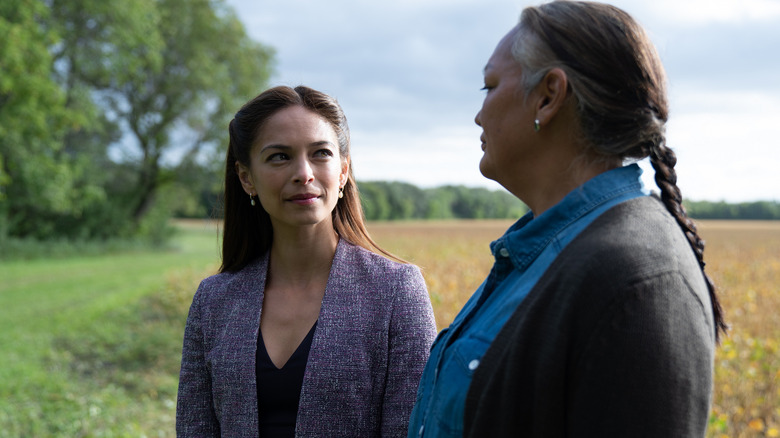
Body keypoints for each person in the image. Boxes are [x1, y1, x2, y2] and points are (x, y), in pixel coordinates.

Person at [408, 2, 726, 437]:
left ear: (548, 95)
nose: (478, 114)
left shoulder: (638, 280)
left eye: (489, 86)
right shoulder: (550, 250)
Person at [176, 85, 437, 437]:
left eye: (320, 153)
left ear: (343, 172)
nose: (304, 173)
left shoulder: (396, 292)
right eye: (279, 157)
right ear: (246, 178)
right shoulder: (214, 301)